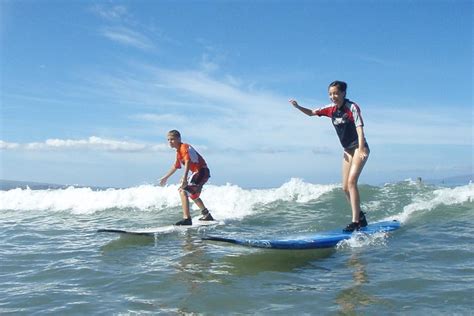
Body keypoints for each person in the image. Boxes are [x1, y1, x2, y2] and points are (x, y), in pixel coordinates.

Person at [289, 80, 369, 232]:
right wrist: (298, 107)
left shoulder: (351, 107)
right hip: (347, 150)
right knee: (345, 187)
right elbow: (312, 113)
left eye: (336, 93)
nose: (333, 96)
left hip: (359, 147)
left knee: (352, 182)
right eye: (330, 94)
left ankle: (355, 221)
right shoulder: (330, 109)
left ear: (344, 93)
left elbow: (359, 128)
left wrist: (363, 148)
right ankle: (361, 216)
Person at [159, 130, 214, 225]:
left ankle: (187, 218)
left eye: (172, 139)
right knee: (193, 194)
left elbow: (188, 162)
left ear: (179, 139)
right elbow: (176, 166)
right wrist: (165, 177)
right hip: (199, 172)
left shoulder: (184, 147)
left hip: (201, 171)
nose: (170, 142)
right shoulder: (178, 152)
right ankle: (206, 215)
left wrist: (184, 178)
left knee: (183, 190)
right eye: (168, 140)